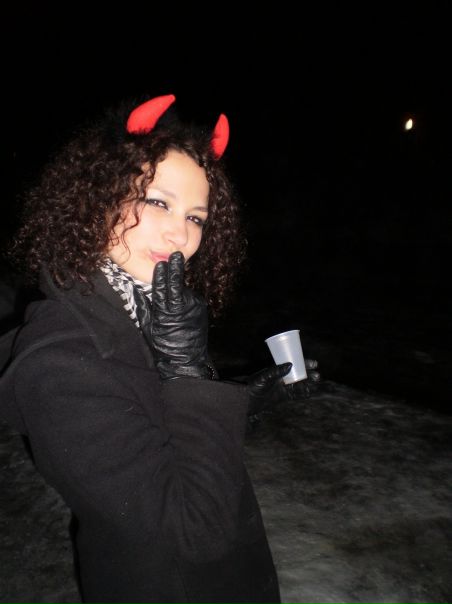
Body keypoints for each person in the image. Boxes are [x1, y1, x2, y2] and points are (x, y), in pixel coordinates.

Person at [1, 94, 318, 603]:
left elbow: (164, 437)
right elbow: (193, 534)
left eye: (197, 217)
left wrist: (242, 405)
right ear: (97, 197)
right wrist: (188, 369)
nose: (181, 234)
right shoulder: (58, 366)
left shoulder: (144, 310)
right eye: (158, 202)